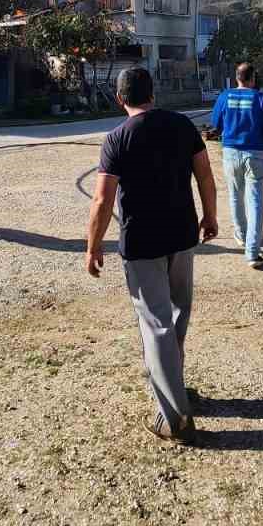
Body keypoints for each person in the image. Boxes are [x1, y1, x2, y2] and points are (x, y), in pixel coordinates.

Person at [86, 66, 218, 446]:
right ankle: (173, 387)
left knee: (157, 325)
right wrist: (209, 216)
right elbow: (205, 176)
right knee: (177, 316)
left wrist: (93, 244)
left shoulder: (116, 139)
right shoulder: (182, 126)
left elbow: (101, 199)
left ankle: (174, 417)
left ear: (119, 98)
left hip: (143, 244)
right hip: (182, 235)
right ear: (152, 94)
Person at [211, 61, 263, 268]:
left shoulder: (224, 96)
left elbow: (216, 124)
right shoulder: (260, 99)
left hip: (231, 153)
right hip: (255, 154)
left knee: (235, 195)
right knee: (255, 201)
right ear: (253, 78)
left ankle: (241, 235)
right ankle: (252, 252)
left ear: (237, 78)